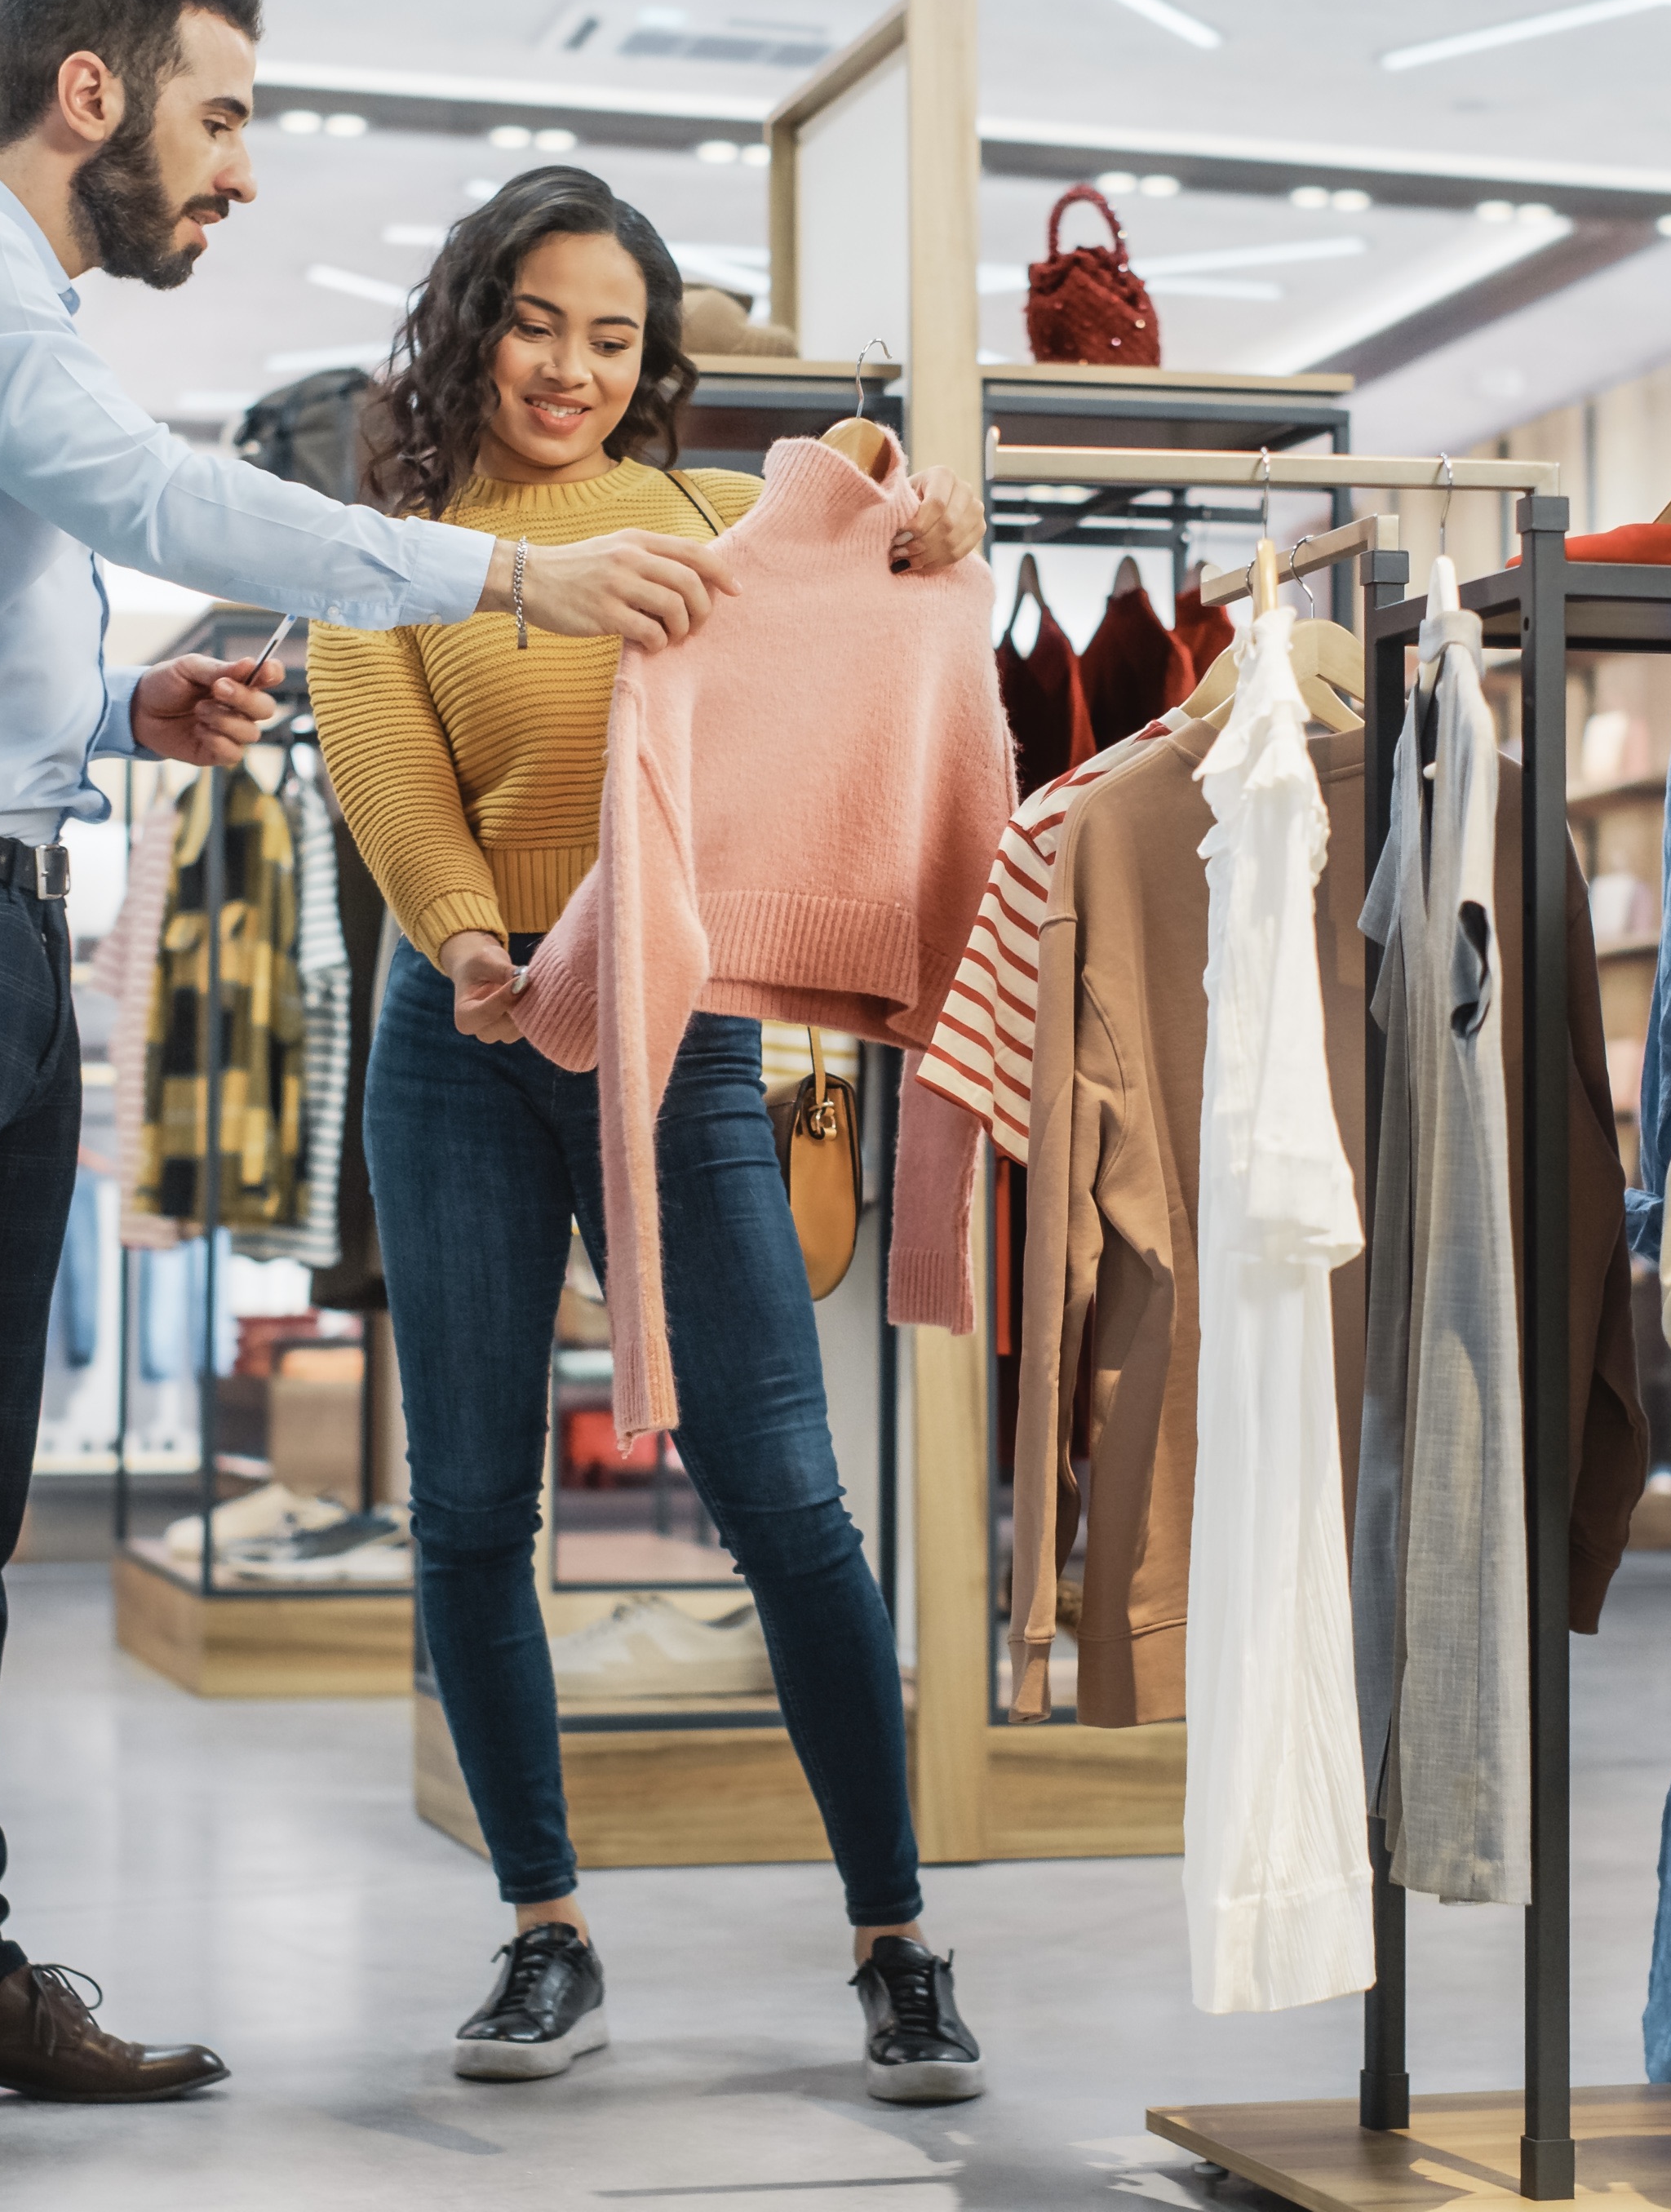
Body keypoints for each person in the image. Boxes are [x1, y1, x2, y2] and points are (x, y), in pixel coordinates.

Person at [0, 0, 742, 2200]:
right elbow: (144, 499)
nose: (238, 168)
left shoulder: (2, 307)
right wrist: (503, 587)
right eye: (219, 117)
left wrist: (103, 719)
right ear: (85, 93)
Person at [308, 167, 991, 2102]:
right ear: (472, 320)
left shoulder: (702, 522)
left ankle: (897, 1942)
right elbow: (389, 776)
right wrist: (465, 943)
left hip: (676, 1039)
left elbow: (877, 590)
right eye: (539, 323)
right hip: (456, 1038)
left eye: (613, 338)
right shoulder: (399, 550)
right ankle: (543, 1928)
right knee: (464, 1503)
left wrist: (923, 530)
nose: (572, 368)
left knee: (783, 1488)